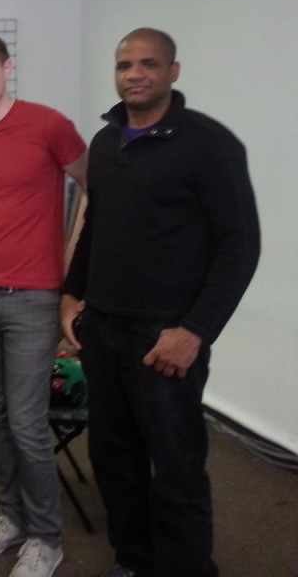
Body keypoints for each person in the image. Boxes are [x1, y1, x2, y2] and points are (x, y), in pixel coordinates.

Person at [60, 28, 260, 577]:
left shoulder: (208, 144)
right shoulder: (105, 142)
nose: (135, 74)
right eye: (125, 64)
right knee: (114, 458)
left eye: (149, 64)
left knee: (176, 468)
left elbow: (240, 245)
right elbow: (95, 225)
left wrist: (194, 331)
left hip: (165, 337)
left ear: (173, 71)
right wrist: (72, 294)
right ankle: (134, 559)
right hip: (103, 330)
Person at [0, 32, 87, 577]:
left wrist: (73, 262)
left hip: (33, 296)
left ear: (8, 68)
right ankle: (12, 517)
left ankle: (47, 538)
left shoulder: (48, 124)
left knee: (27, 422)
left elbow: (92, 185)